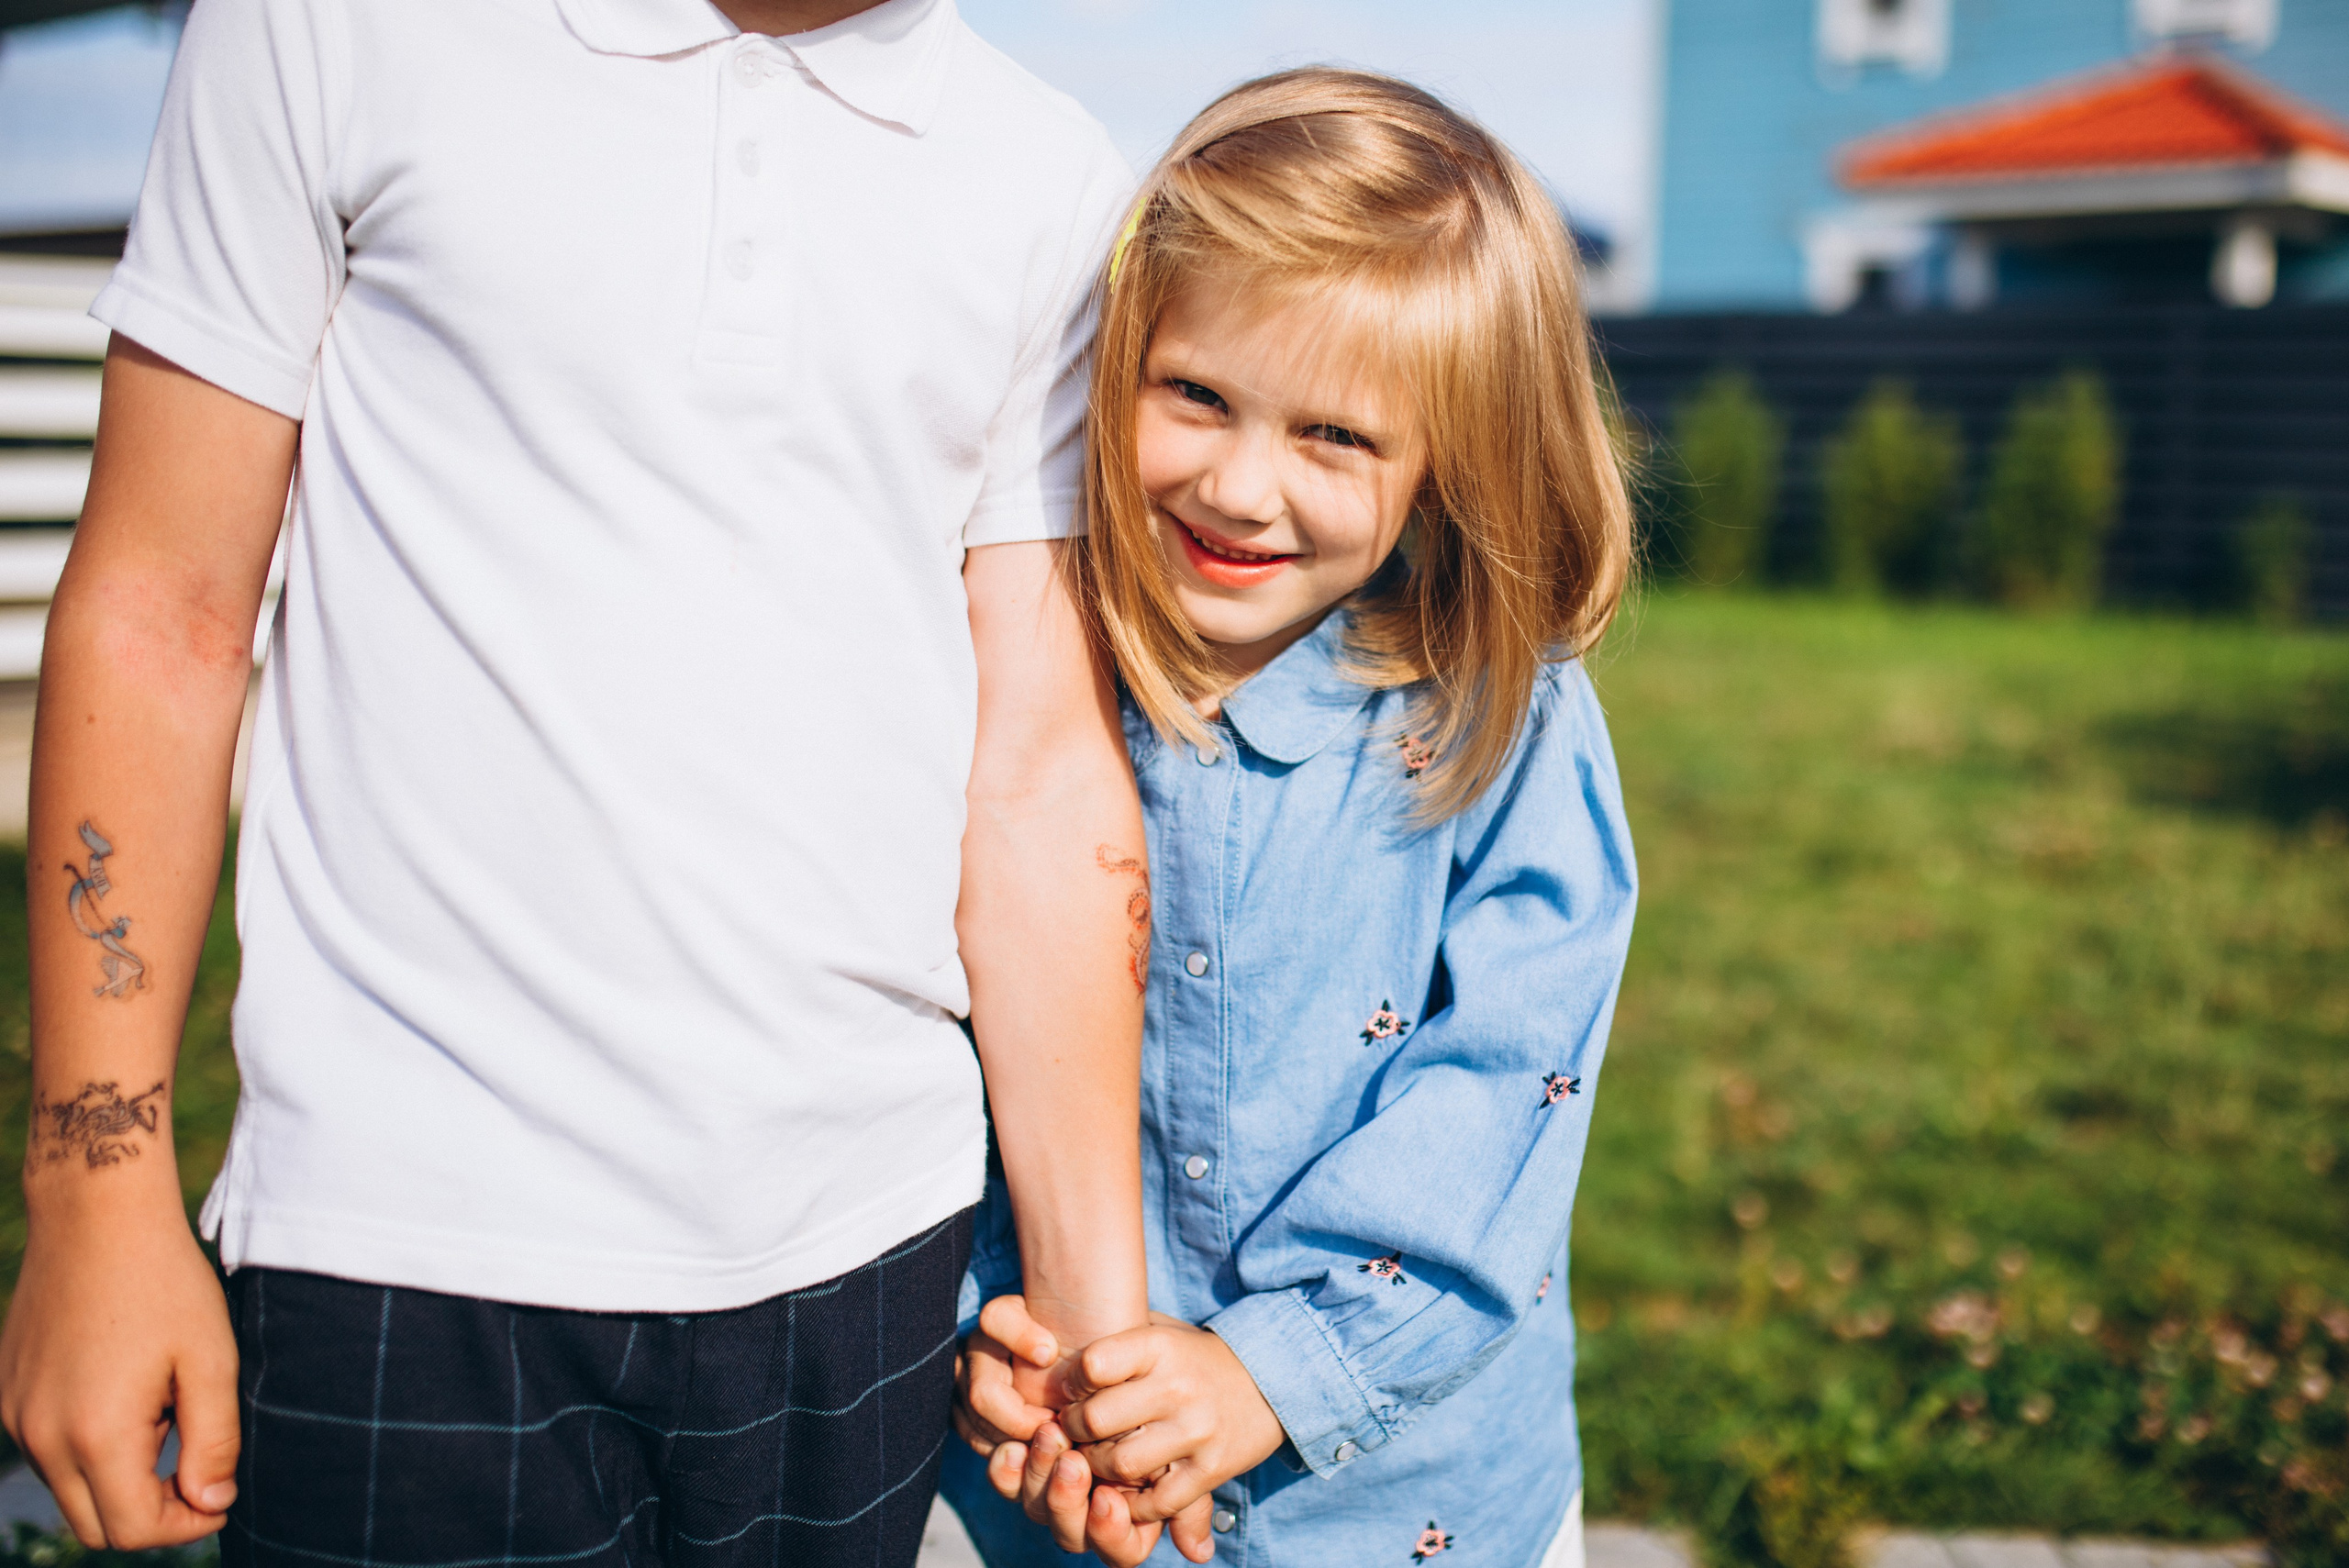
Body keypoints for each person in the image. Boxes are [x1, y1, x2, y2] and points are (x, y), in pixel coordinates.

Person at [0, 0, 1152, 1560]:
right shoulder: (327, 24)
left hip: (866, 1254)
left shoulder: (1049, 177)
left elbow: (1038, 770)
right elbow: (162, 614)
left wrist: (1093, 1311)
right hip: (406, 1241)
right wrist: (95, 1192)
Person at [942, 68, 1641, 1568]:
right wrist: (988, 1321)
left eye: (1334, 437)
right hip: (1078, 1494)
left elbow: (1507, 1086)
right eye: (1195, 394)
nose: (1240, 484)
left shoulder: (1493, 717)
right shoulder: (1027, 680)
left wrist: (1279, 1367)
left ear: (1449, 461)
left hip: (1418, 1510)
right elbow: (932, 1042)